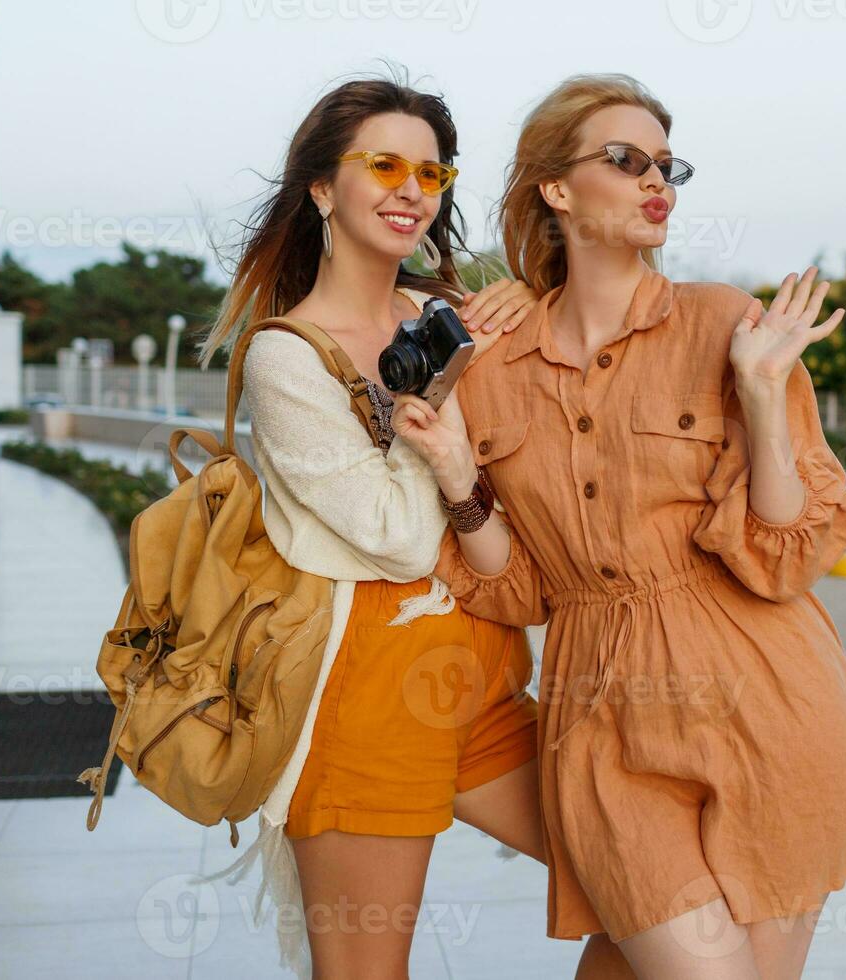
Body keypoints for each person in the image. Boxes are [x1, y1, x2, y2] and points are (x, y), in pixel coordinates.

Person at [391, 73, 846, 980]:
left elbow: (785, 558)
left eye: (668, 165)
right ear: (556, 188)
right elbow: (520, 591)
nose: (654, 180)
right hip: (600, 717)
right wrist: (459, 477)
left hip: (772, 701)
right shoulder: (494, 361)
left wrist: (756, 387)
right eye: (625, 161)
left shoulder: (726, 325)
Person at [193, 72, 634, 980]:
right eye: (385, 165)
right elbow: (395, 536)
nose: (411, 191)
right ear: (322, 187)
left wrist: (523, 306)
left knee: (647, 898)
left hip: (488, 683)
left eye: (431, 175)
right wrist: (434, 401)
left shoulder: (454, 315)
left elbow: (531, 480)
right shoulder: (286, 356)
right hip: (367, 700)